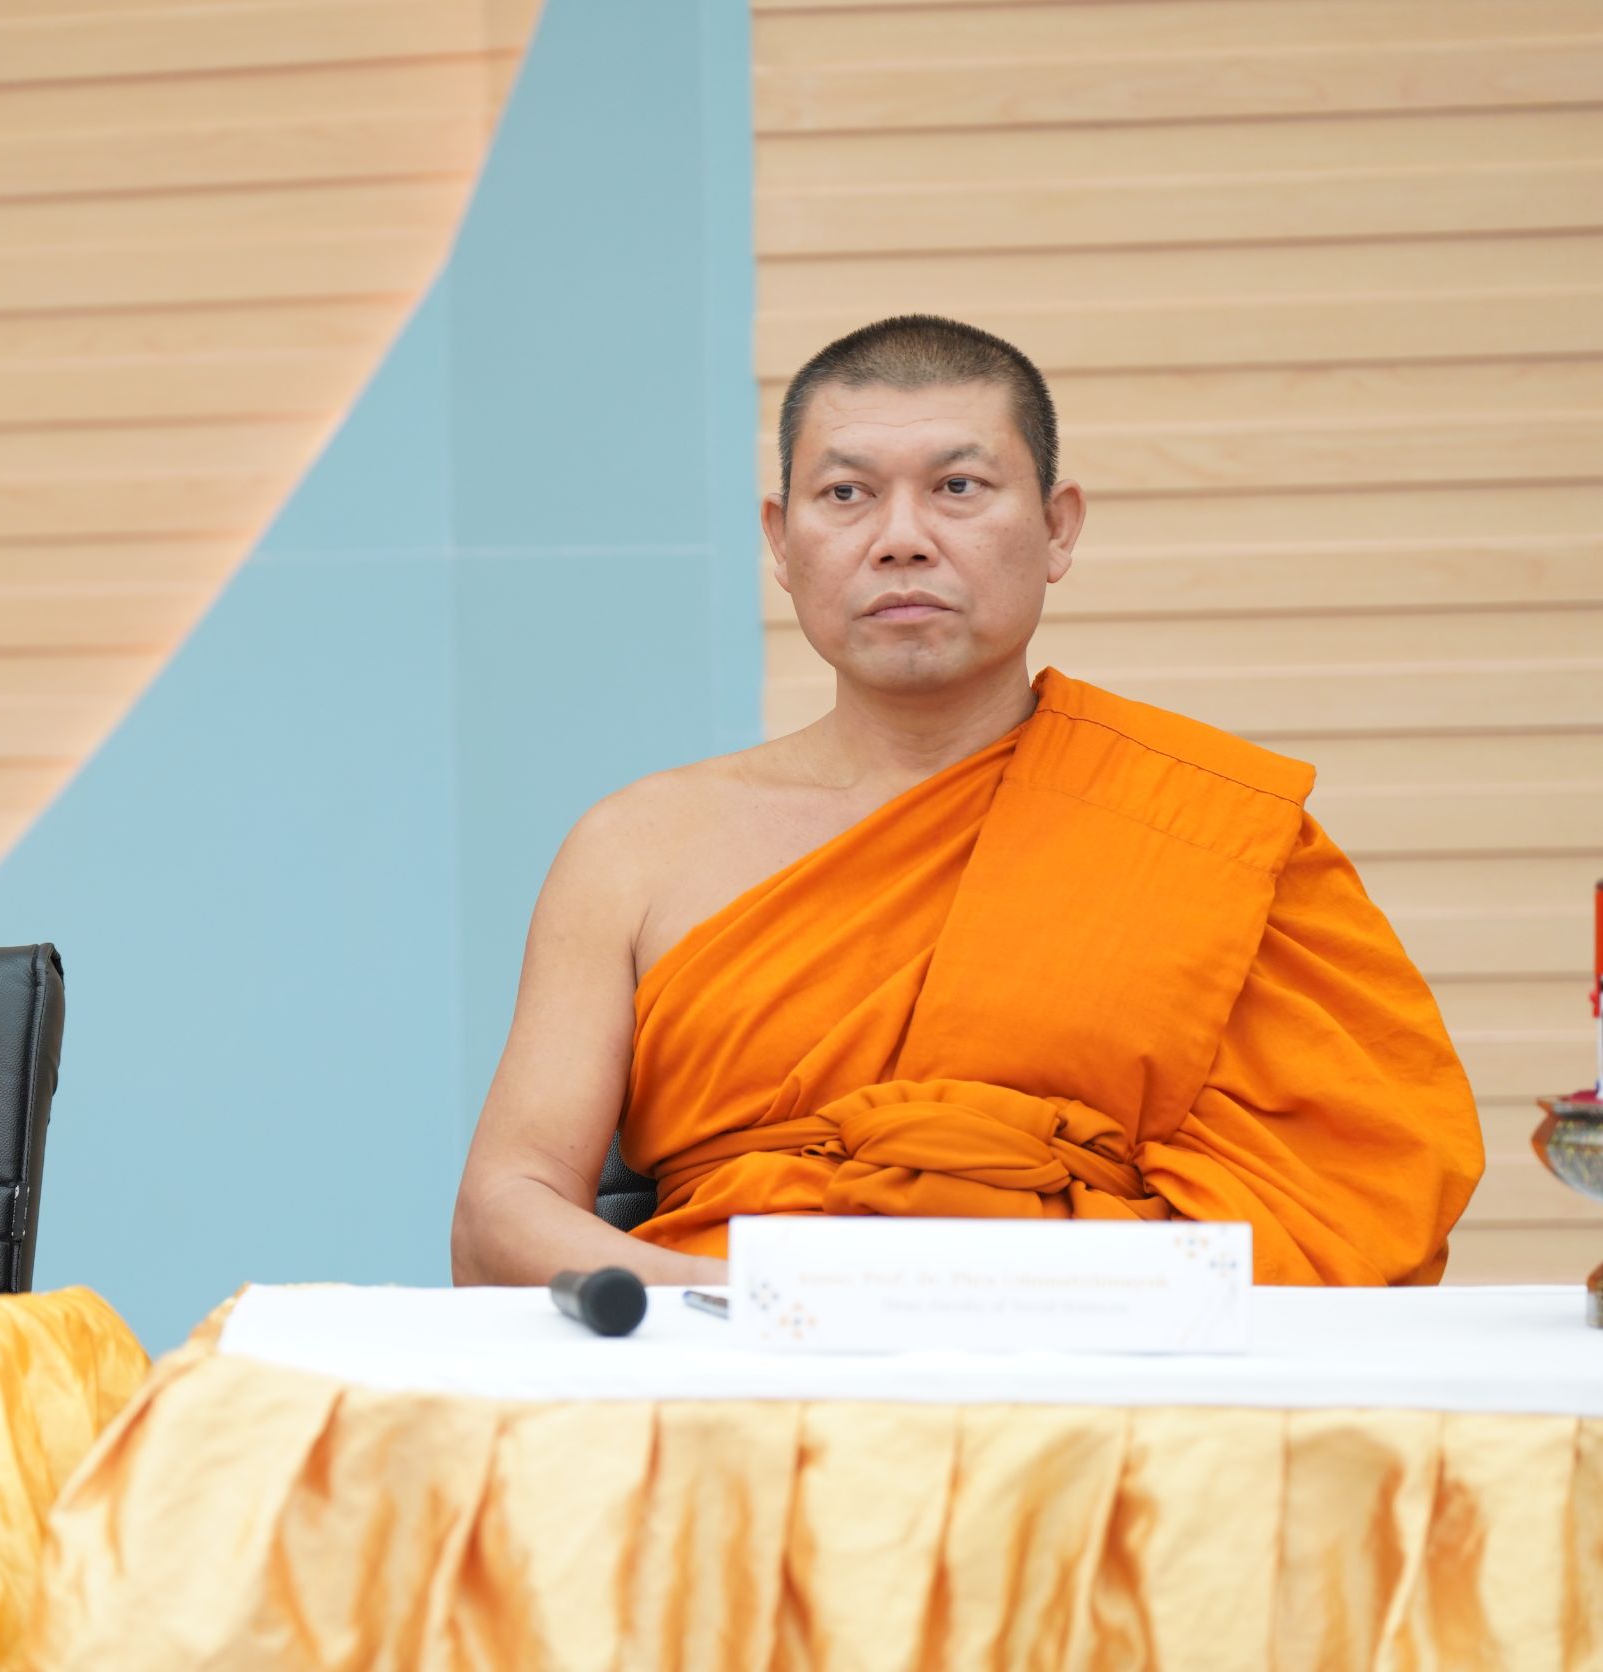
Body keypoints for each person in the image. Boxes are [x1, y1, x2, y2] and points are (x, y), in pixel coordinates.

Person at [451, 315, 1483, 1289]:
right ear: (781, 540)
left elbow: (1354, 1186)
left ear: (1057, 528)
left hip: (1104, 1372)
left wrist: (1026, 1310)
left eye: (958, 486)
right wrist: (746, 1302)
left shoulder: (1201, 825)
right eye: (846, 494)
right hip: (735, 1361)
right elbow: (505, 1208)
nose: (901, 538)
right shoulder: (638, 848)